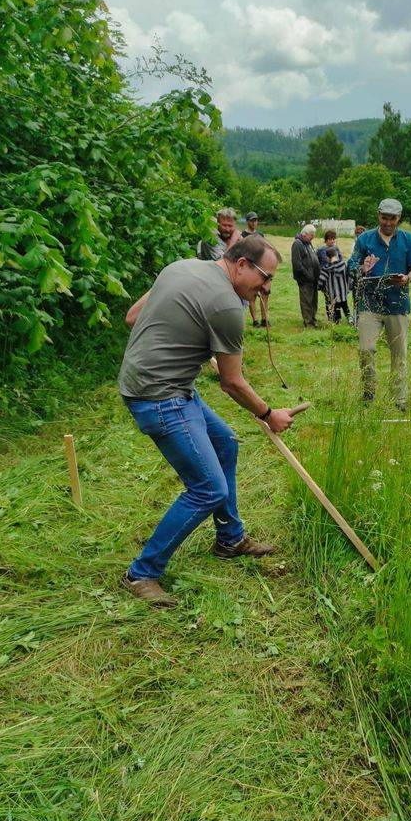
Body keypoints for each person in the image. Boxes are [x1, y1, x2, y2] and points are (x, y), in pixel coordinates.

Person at [118, 236, 293, 607]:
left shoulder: (181, 267)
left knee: (225, 443)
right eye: (265, 277)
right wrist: (268, 414)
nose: (266, 288)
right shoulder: (227, 305)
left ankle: (230, 539)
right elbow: (232, 382)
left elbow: (133, 317)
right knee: (208, 489)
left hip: (163, 384)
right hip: (160, 397)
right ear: (241, 264)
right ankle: (141, 573)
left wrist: (179, 340)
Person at [348, 198, 411, 410]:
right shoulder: (365, 239)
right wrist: (362, 268)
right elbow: (351, 265)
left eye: (392, 219)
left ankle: (399, 399)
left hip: (398, 304)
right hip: (369, 304)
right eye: (384, 218)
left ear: (399, 218)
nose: (388, 222)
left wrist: (408, 278)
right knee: (366, 349)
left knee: (399, 354)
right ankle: (369, 391)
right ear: (378, 215)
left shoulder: (408, 239)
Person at [291, 224, 322, 327]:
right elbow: (297, 264)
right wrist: (307, 274)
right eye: (311, 235)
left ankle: (313, 319)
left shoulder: (308, 243)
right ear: (304, 234)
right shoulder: (297, 244)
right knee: (306, 300)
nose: (313, 237)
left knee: (313, 300)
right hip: (305, 279)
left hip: (313, 278)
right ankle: (308, 322)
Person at [242, 211, 268, 328]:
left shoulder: (260, 235)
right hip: (249, 267)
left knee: (265, 293)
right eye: (252, 220)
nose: (254, 222)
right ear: (247, 221)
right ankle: (255, 320)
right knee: (252, 294)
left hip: (261, 267)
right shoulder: (242, 235)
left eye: (256, 220)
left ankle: (264, 319)